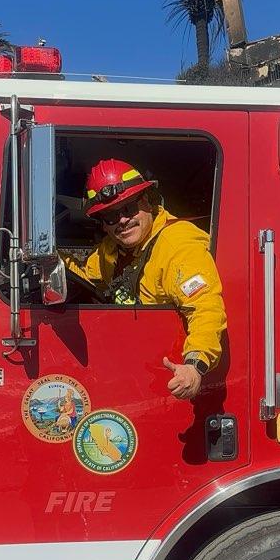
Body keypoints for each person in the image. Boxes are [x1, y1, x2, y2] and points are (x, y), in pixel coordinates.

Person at [62, 159, 226, 400]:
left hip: (163, 376)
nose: (122, 221)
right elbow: (85, 272)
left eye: (128, 209)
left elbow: (205, 308)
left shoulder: (177, 246)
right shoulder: (113, 249)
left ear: (147, 201)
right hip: (131, 369)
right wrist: (47, 259)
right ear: (104, 226)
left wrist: (194, 365)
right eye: (110, 216)